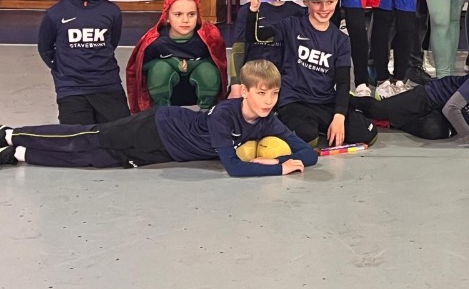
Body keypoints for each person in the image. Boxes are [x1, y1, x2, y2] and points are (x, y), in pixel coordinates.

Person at [0, 60, 318, 177]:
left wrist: (281, 158)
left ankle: (18, 154)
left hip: (162, 153)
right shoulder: (225, 114)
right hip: (155, 127)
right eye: (261, 93)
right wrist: (278, 168)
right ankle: (11, 134)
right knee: (86, 138)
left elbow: (309, 154)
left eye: (274, 93)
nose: (268, 101)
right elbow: (234, 168)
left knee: (93, 160)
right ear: (245, 92)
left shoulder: (268, 120)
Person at [247, 0, 377, 147]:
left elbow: (343, 82)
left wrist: (339, 116)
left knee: (367, 134)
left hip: (325, 101)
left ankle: (325, 125)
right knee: (308, 138)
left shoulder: (341, 40)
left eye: (329, 2)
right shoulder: (292, 25)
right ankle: (298, 124)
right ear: (306, 1)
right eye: (317, 2)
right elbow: (255, 37)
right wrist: (254, 9)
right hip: (295, 101)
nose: (324, 8)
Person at [37, 0, 129, 124]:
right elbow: (45, 48)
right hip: (72, 88)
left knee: (121, 134)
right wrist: (65, 70)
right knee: (77, 137)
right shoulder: (55, 14)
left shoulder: (112, 11)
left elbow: (112, 43)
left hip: (108, 85)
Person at [125, 0, 227, 113]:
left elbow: (219, 65)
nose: (185, 20)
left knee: (208, 71)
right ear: (167, 17)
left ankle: (207, 112)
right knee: (160, 69)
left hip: (197, 90)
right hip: (166, 91)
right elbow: (140, 69)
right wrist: (173, 62)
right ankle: (161, 113)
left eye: (191, 14)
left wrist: (191, 64)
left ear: (198, 16)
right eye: (178, 14)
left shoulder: (208, 38)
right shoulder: (156, 41)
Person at [230, 0, 305, 94]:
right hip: (252, 76)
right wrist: (235, 84)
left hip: (283, 79)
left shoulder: (298, 12)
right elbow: (238, 48)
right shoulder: (247, 9)